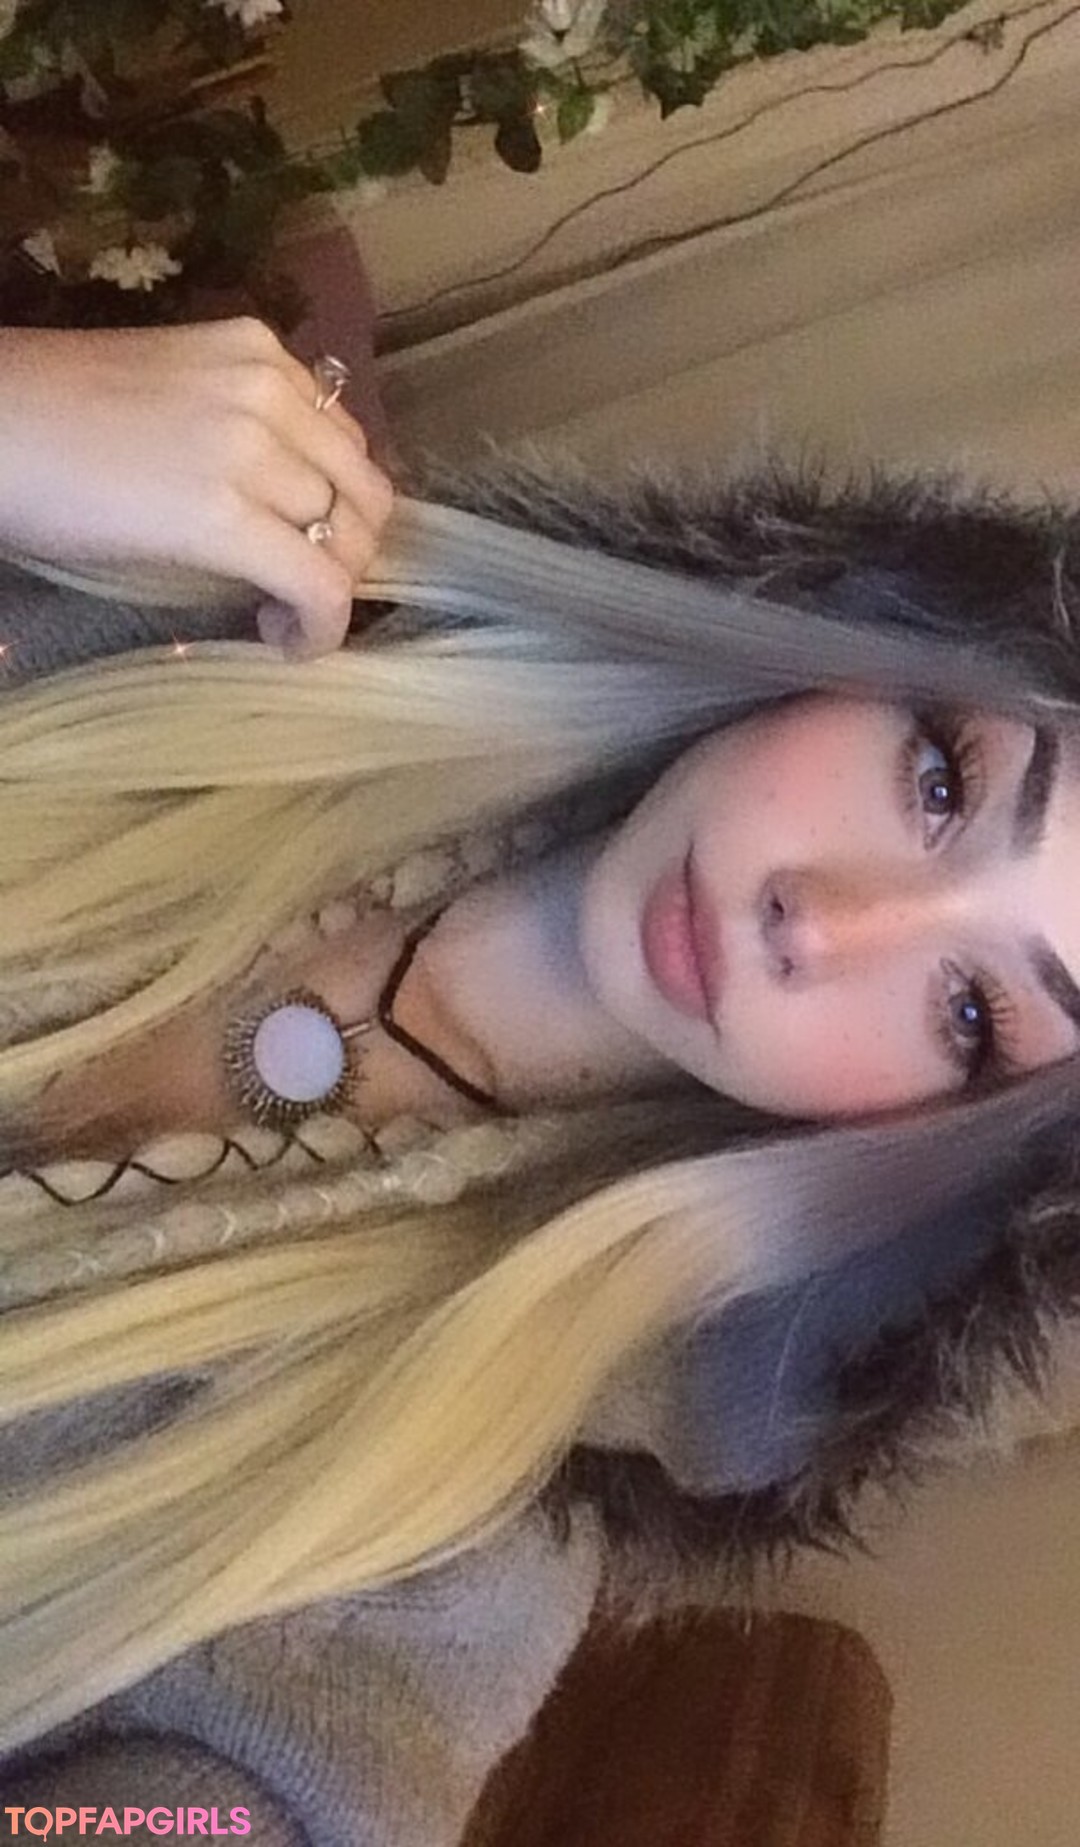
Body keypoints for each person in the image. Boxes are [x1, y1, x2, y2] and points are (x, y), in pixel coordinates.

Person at [1, 316, 1079, 1842]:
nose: (822, 921)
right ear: (875, 644)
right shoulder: (212, 584)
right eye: (941, 782)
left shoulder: (442, 1565)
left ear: (947, 1171)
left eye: (970, 1014)